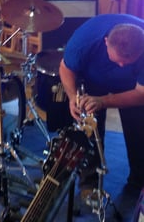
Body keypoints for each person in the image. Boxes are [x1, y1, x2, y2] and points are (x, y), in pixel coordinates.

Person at [59, 14, 144, 206]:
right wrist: (73, 97)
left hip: (133, 86)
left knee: (139, 130)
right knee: (89, 127)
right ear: (106, 42)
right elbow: (65, 68)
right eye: (117, 61)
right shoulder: (84, 40)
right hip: (92, 80)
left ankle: (139, 182)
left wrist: (104, 101)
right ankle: (90, 184)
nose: (122, 66)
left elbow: (141, 94)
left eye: (128, 62)